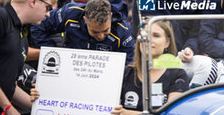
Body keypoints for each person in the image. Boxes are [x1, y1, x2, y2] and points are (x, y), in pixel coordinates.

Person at [30, 20, 189, 113]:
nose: (148, 40)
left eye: (155, 36)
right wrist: (45, 93)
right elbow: (87, 97)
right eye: (145, 35)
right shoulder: (123, 72)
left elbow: (171, 113)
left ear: (167, 42)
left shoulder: (178, 75)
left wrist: (126, 114)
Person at [0, 0, 58, 114]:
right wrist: (8, 108)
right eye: (47, 8)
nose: (48, 14)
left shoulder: (21, 31)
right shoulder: (0, 17)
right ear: (33, 1)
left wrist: (42, 107)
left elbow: (10, 86)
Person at [30, 0, 135, 64]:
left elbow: (130, 63)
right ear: (85, 20)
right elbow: (38, 26)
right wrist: (53, 52)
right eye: (95, 32)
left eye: (105, 30)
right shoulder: (70, 13)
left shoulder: (123, 31)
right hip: (70, 68)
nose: (101, 36)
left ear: (111, 17)